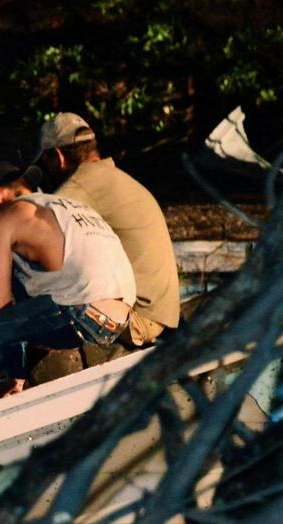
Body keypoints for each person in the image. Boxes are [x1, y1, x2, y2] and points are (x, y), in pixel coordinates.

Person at [0, 179, 135, 392]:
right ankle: (24, 372)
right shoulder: (60, 205)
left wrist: (2, 374)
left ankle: (12, 385)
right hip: (119, 319)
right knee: (18, 267)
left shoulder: (3, 220)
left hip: (82, 314)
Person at [33, 112, 180, 348]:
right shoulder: (110, 178)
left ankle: (17, 375)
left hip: (139, 318)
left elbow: (34, 231)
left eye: (46, 161)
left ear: (59, 157)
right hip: (159, 312)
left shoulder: (81, 186)